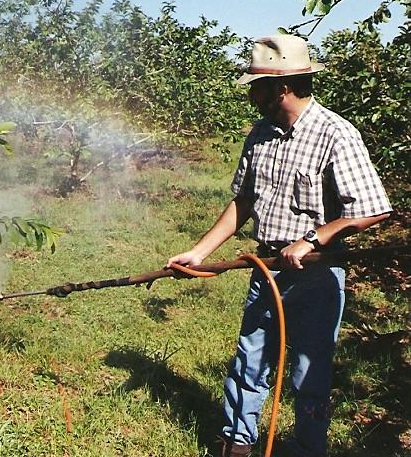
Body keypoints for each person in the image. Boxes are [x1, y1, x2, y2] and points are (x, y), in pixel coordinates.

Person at [166, 34, 392, 457]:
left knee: (309, 371)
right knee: (249, 357)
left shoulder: (336, 134)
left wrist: (312, 239)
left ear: (280, 87)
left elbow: (374, 209)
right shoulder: (260, 135)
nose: (251, 93)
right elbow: (244, 203)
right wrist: (200, 252)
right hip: (264, 268)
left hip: (316, 275)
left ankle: (307, 449)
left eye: (256, 85)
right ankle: (236, 442)